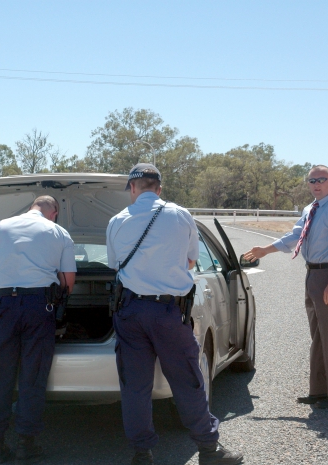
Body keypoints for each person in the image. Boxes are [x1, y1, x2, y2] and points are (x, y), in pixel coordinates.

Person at [106, 163, 244, 465]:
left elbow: (115, 265)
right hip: (168, 311)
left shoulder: (116, 221)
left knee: (135, 386)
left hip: (129, 312)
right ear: (159, 187)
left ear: (132, 188)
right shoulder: (181, 216)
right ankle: (209, 450)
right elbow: (192, 261)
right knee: (188, 380)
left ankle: (142, 454)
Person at [242, 165, 328, 409]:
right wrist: (266, 250)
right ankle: (320, 390)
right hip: (313, 274)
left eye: (321, 180)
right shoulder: (311, 209)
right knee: (318, 333)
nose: (316, 184)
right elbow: (295, 236)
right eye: (312, 180)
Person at [0, 195, 77, 464]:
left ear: (32, 206)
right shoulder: (59, 232)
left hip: (4, 307)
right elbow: (68, 283)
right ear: (53, 212)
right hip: (39, 308)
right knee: (33, 373)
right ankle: (25, 444)